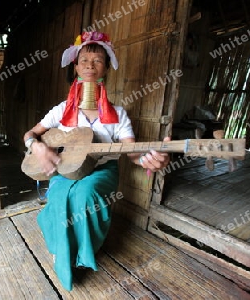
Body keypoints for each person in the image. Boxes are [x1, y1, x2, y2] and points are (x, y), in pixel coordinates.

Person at [22, 31, 170, 291]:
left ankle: (79, 255)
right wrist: (37, 147)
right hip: (66, 170)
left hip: (102, 170)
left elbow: (132, 152)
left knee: (85, 195)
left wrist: (148, 158)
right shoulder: (60, 111)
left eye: (98, 60)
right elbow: (31, 133)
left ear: (105, 70)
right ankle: (62, 249)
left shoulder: (118, 115)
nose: (90, 64)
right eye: (84, 59)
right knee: (59, 196)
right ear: (76, 67)